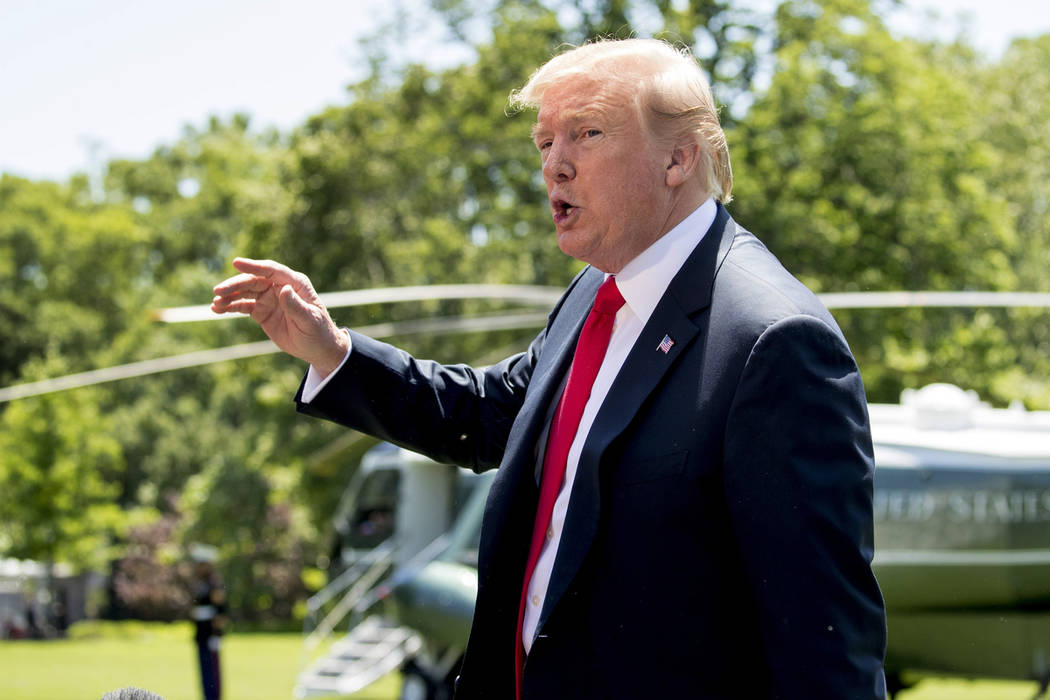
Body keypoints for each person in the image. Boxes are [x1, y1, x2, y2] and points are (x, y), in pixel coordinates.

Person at [212, 37, 887, 699]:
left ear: (678, 158)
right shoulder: (597, 292)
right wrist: (332, 351)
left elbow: (826, 645)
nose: (554, 166)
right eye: (545, 142)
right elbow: (490, 415)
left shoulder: (776, 343)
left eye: (586, 133)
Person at [188, 544, 225, 700]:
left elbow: (220, 610)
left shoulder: (214, 583)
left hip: (211, 633)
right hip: (200, 633)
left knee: (213, 672)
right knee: (203, 670)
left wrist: (217, 634)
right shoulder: (198, 583)